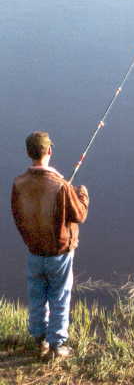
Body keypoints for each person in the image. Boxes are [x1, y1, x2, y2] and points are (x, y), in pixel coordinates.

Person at [11, 131, 89, 358]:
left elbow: (17, 215)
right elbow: (80, 215)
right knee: (60, 297)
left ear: (28, 153)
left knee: (36, 295)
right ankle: (57, 345)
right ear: (49, 151)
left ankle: (39, 339)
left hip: (34, 250)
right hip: (59, 252)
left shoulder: (18, 184)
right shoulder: (61, 186)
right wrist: (83, 195)